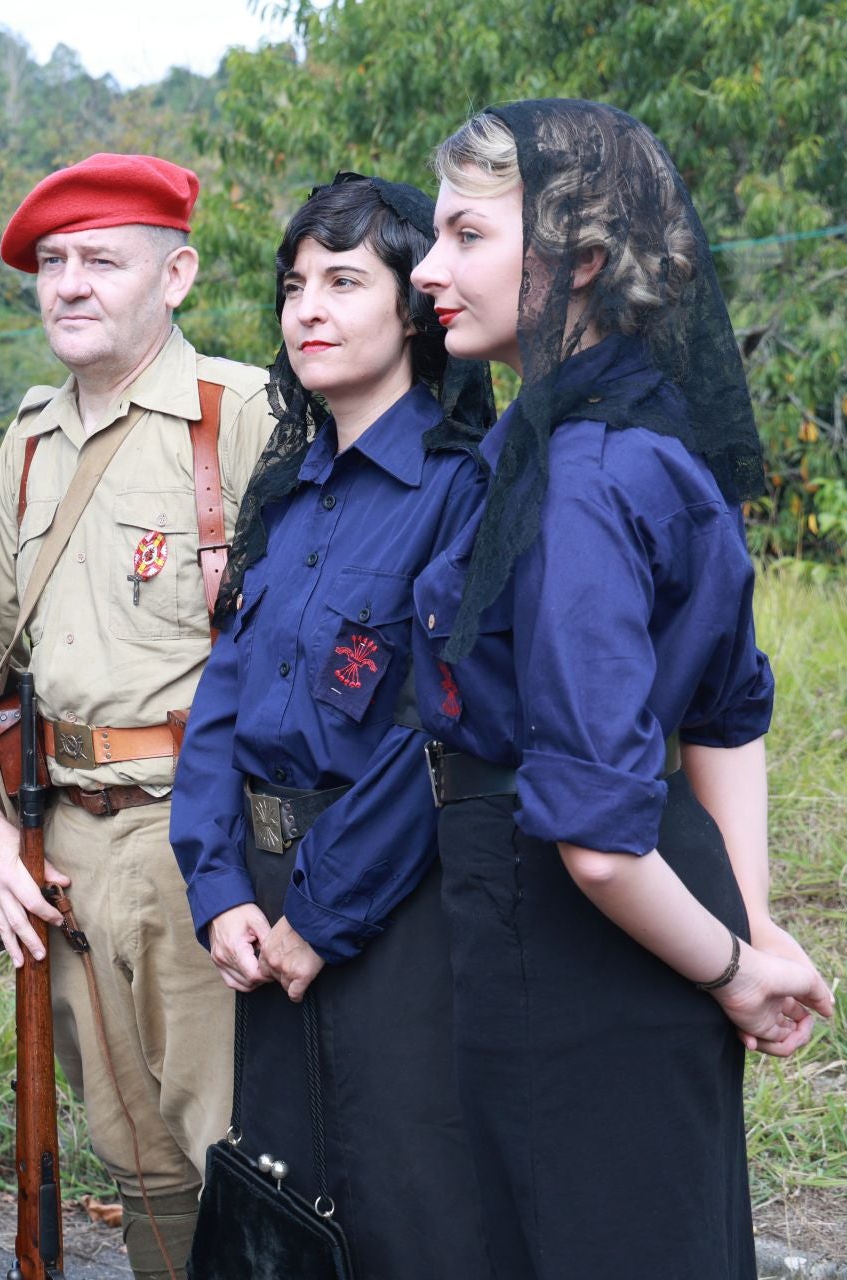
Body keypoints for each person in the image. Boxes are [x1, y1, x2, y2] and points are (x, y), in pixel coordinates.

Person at [408, 100, 834, 1278]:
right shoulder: (627, 435)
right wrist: (738, 922)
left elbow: (593, 838)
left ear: (580, 262)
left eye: (466, 236)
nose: (430, 269)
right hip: (657, 899)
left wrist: (738, 969)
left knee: (580, 1232)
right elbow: (727, 713)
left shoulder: (584, 475)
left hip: (573, 923)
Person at [0, 153, 275, 1275]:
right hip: (62, 835)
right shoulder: (29, 442)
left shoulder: (240, 416)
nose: (70, 284)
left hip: (200, 832)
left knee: (232, 1136)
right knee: (129, 1149)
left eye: (101, 260)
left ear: (174, 273)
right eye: (51, 263)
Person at [168, 173, 496, 1277]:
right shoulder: (285, 493)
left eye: (345, 280)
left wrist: (322, 912)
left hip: (392, 908)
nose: (307, 306)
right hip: (262, 915)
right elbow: (220, 708)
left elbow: (439, 732)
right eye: (294, 283)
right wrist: (217, 890)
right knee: (287, 1210)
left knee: (407, 1198)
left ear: (414, 306)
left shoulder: (461, 489)